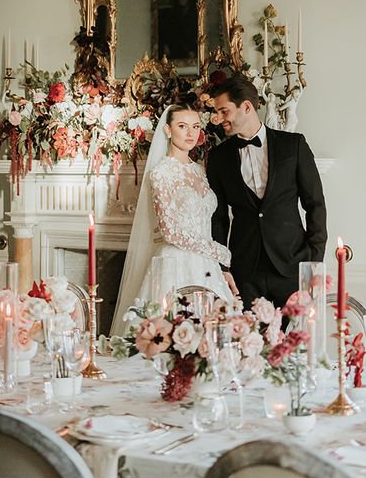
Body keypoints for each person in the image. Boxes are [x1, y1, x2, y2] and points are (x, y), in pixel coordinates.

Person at [111, 103, 233, 336]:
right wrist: (218, 251)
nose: (190, 133)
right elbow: (170, 231)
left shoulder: (199, 170)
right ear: (168, 130)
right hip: (175, 263)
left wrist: (217, 260)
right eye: (182, 126)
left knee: (212, 336)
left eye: (196, 126)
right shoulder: (161, 172)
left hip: (207, 266)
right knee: (169, 335)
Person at [207, 75, 327, 309]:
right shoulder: (218, 157)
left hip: (292, 265)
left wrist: (313, 260)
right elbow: (217, 217)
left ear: (247, 107)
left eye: (224, 111)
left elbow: (315, 204)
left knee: (295, 342)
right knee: (249, 343)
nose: (218, 119)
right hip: (245, 271)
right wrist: (222, 267)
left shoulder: (294, 145)